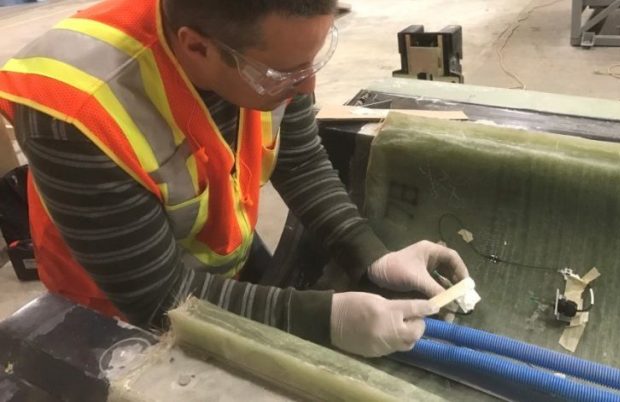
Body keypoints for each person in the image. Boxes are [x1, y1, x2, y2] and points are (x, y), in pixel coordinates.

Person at [0, 0, 468, 357]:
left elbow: (300, 161)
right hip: (111, 307)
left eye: (313, 61)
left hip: (215, 255)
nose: (306, 87)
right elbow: (156, 298)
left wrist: (370, 254)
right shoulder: (75, 114)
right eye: (285, 73)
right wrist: (324, 320)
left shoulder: (270, 50)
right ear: (196, 46)